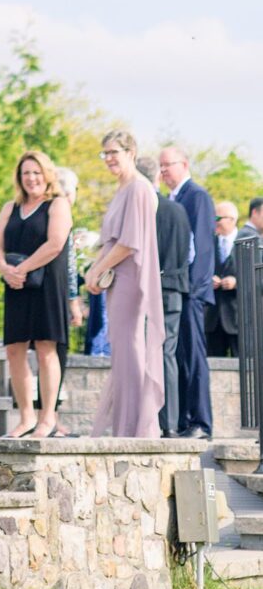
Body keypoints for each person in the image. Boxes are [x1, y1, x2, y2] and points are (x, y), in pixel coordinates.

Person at [88, 129, 165, 438]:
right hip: (116, 278)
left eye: (113, 152)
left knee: (129, 347)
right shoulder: (121, 189)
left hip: (131, 277)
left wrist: (98, 270)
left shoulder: (138, 189)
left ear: (130, 152)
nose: (108, 159)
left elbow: (130, 243)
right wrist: (93, 270)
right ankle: (125, 422)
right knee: (121, 350)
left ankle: (135, 426)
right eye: (104, 153)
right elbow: (110, 242)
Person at [0, 149, 71, 436]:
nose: (31, 178)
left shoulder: (57, 204)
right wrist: (6, 269)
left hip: (46, 282)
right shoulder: (10, 208)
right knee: (14, 349)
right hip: (16, 284)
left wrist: (22, 267)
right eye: (26, 173)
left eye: (36, 172)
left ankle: (47, 417)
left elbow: (56, 243)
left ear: (46, 174)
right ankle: (25, 417)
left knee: (47, 348)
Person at [159, 144, 217, 439]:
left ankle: (201, 422)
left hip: (190, 292)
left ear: (184, 164)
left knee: (194, 357)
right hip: (176, 292)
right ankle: (182, 419)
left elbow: (203, 248)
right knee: (178, 356)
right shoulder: (172, 198)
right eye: (161, 166)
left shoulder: (197, 196)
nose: (163, 171)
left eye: (168, 165)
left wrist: (193, 290)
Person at [136, 152, 190, 435]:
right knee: (167, 355)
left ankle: (147, 421)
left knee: (144, 354)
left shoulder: (143, 207)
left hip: (148, 290)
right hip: (174, 289)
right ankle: (169, 424)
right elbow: (189, 253)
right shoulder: (178, 210)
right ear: (157, 175)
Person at [207, 203, 241, 360]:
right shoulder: (207, 243)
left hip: (237, 319)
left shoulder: (248, 243)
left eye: (218, 218)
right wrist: (208, 280)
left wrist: (237, 282)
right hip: (211, 319)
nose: (214, 221)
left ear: (232, 219)